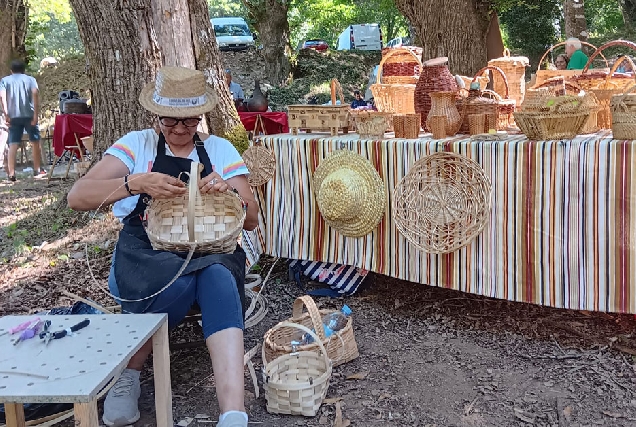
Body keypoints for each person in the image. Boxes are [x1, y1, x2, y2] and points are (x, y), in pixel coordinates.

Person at [67, 66, 259, 427]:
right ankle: (129, 374)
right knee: (180, 279)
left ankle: (233, 412)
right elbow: (77, 197)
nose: (181, 130)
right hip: (147, 250)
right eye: (171, 122)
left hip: (210, 245)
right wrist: (135, 182)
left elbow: (251, 219)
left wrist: (230, 190)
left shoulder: (218, 148)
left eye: (190, 122)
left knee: (217, 274)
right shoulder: (136, 145)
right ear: (155, 115)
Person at [0, 59, 46, 181]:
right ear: (24, 70)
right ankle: (37, 169)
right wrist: (36, 115)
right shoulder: (30, 79)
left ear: (11, 70)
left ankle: (11, 173)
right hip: (29, 114)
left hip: (13, 116)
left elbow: (2, 96)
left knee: (13, 144)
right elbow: (35, 94)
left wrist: (6, 113)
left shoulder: (5, 81)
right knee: (35, 141)